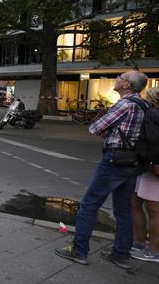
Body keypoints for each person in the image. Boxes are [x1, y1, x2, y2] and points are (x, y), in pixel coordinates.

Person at [55, 70, 149, 269]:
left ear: (127, 85)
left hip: (114, 160)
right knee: (124, 210)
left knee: (89, 205)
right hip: (133, 162)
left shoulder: (124, 104)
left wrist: (108, 130)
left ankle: (79, 251)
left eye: (120, 78)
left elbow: (95, 127)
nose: (116, 79)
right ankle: (121, 254)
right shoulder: (144, 105)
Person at [131, 86, 159, 263]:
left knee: (154, 210)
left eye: (147, 97)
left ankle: (155, 250)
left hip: (152, 166)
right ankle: (139, 242)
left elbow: (153, 142)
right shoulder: (152, 114)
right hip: (147, 165)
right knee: (134, 201)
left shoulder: (153, 115)